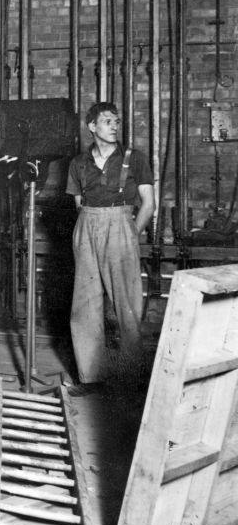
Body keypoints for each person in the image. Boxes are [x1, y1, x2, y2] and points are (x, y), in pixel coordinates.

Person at [65, 101, 154, 394]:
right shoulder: (78, 163)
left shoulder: (136, 158)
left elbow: (148, 204)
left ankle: (133, 378)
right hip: (88, 224)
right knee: (85, 304)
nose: (114, 126)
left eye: (116, 121)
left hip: (121, 225)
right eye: (107, 121)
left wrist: (129, 233)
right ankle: (91, 378)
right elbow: (78, 204)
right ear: (92, 127)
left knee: (127, 305)